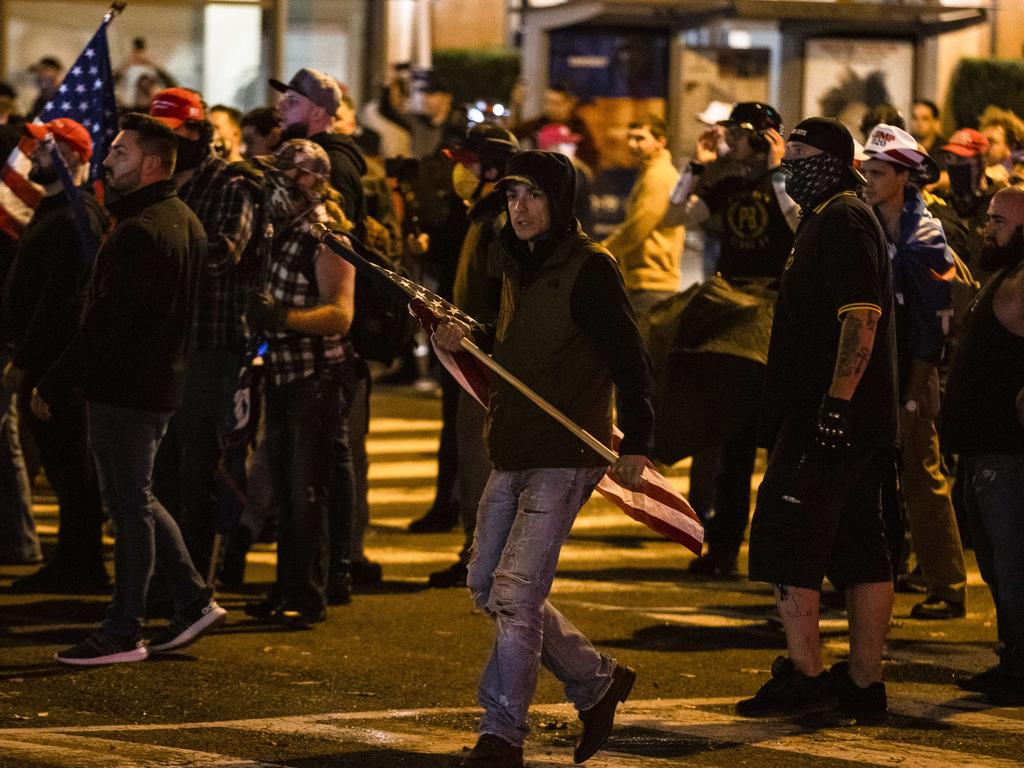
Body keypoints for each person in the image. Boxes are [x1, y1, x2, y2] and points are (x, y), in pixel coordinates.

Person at [433, 150, 652, 767]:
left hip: (566, 451)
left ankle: (501, 734)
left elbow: (632, 360)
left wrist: (638, 442)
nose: (519, 208)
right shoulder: (512, 263)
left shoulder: (591, 268)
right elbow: (512, 341)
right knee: (486, 585)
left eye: (532, 195)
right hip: (513, 445)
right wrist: (463, 337)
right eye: (511, 196)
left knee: (518, 595)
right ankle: (595, 679)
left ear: (561, 202)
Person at [33, 113, 224, 665]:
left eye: (118, 154)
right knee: (136, 496)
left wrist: (55, 379)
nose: (106, 162)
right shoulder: (178, 218)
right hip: (153, 383)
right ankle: (191, 598)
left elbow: (107, 322)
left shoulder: (143, 229)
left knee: (128, 505)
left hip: (127, 388)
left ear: (150, 164)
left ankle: (124, 628)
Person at [740, 118, 897, 722]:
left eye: (800, 153)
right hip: (843, 416)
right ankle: (862, 685)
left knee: (787, 534)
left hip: (827, 416)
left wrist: (835, 403)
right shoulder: (826, 218)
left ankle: (807, 675)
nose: (789, 164)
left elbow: (862, 317)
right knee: (859, 545)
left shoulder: (842, 219)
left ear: (831, 160)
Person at [663, 102, 795, 577]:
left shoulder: (791, 182)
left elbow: (802, 224)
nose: (732, 143)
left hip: (777, 315)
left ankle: (779, 553)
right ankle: (723, 549)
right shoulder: (729, 181)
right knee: (733, 443)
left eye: (741, 134)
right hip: (736, 315)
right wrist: (696, 167)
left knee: (781, 446)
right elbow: (676, 215)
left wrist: (780, 172)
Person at [242, 139, 357, 629]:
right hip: (284, 374)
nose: (276, 184)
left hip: (316, 378)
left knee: (307, 491)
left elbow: (340, 315)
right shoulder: (281, 230)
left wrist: (282, 316)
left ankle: (307, 593)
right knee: (287, 492)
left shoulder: (326, 236)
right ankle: (286, 586)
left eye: (287, 174)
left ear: (311, 179)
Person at [147, 88, 257, 582]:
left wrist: (154, 255)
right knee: (161, 468)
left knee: (199, 468)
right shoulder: (164, 185)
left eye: (174, 135)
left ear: (197, 133)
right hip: (168, 342)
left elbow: (220, 256)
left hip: (213, 345)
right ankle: (165, 578)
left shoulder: (229, 184)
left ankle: (195, 582)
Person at [861, 123, 967, 620]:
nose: (868, 178)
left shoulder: (924, 238)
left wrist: (914, 391)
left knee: (922, 475)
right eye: (866, 168)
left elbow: (932, 325)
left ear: (905, 176)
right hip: (875, 367)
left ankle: (947, 585)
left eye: (878, 171)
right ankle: (870, 572)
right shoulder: (868, 220)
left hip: (911, 373)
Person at [3, 119, 109, 591]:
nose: (32, 155)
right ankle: (73, 558)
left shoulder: (75, 215)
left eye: (43, 148)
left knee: (72, 464)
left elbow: (63, 299)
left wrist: (27, 360)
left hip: (57, 363)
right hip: (47, 359)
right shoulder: (58, 209)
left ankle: (82, 563)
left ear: (69, 157)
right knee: (65, 464)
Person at [427, 124, 519, 589]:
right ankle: (477, 551)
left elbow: (505, 296)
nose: (459, 172)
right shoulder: (481, 216)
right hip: (471, 354)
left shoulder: (500, 222)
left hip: (484, 360)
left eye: (468, 163)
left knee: (480, 459)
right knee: (473, 456)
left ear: (493, 169)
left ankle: (481, 557)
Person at [942, 185, 1024, 705]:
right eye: (988, 217)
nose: (986, 228)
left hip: (1006, 451)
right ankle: (1012, 656)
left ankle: (1019, 665)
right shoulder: (1003, 275)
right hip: (981, 447)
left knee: (1012, 562)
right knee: (995, 562)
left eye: (998, 222)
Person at [600, 114, 683, 333]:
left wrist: (603, 251)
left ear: (660, 141)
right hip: (648, 281)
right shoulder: (653, 173)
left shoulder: (656, 177)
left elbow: (637, 227)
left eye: (640, 138)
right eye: (630, 138)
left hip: (650, 282)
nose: (632, 144)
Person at [271, 68, 367, 227]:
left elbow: (338, 238)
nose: (280, 106)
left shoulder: (332, 164)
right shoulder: (308, 158)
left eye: (292, 101)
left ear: (316, 113)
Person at [512, 83, 599, 169]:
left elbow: (592, 161)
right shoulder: (538, 124)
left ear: (569, 104)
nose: (550, 107)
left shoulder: (578, 128)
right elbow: (512, 135)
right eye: (547, 102)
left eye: (556, 103)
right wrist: (516, 106)